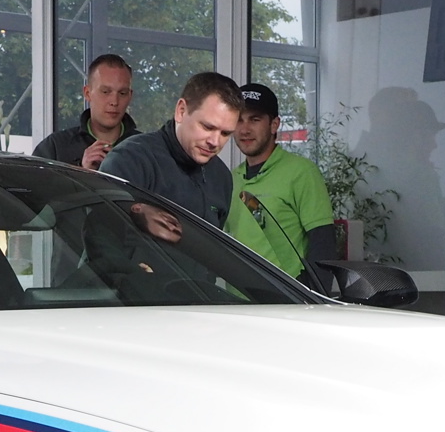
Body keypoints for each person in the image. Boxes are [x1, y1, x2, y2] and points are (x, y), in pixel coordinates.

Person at [98, 71, 241, 225]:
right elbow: (101, 234)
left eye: (225, 133)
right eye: (207, 127)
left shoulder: (222, 178)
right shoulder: (131, 160)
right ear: (181, 111)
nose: (215, 142)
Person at [227, 82, 337, 282]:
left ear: (274, 124)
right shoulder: (231, 179)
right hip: (236, 297)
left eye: (254, 119)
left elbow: (323, 243)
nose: (245, 129)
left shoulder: (301, 172)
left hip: (284, 297)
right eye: (239, 120)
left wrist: (310, 294)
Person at [34, 54, 139, 170]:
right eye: (105, 92)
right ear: (87, 93)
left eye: (122, 93)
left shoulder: (145, 149)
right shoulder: (55, 148)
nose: (114, 102)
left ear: (130, 96)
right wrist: (81, 171)